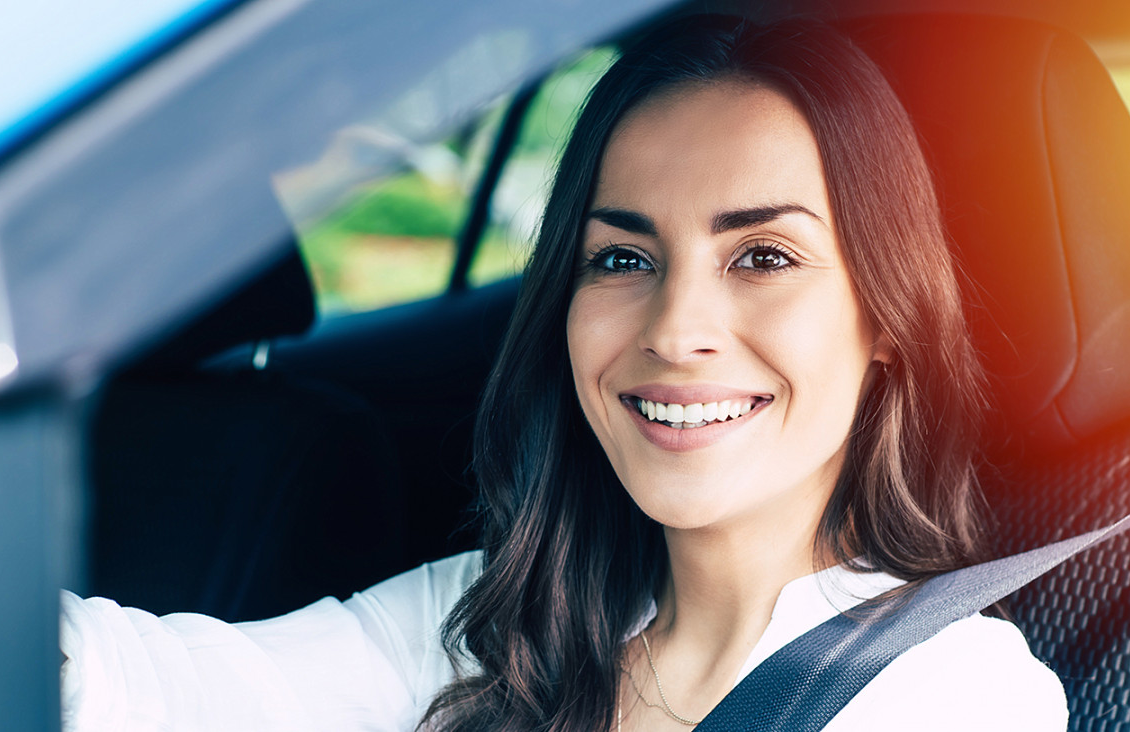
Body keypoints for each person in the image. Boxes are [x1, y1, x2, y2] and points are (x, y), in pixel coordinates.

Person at [60, 14, 1067, 732]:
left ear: (885, 316)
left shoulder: (956, 697)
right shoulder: (505, 621)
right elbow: (160, 689)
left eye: (762, 257)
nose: (676, 329)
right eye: (622, 259)